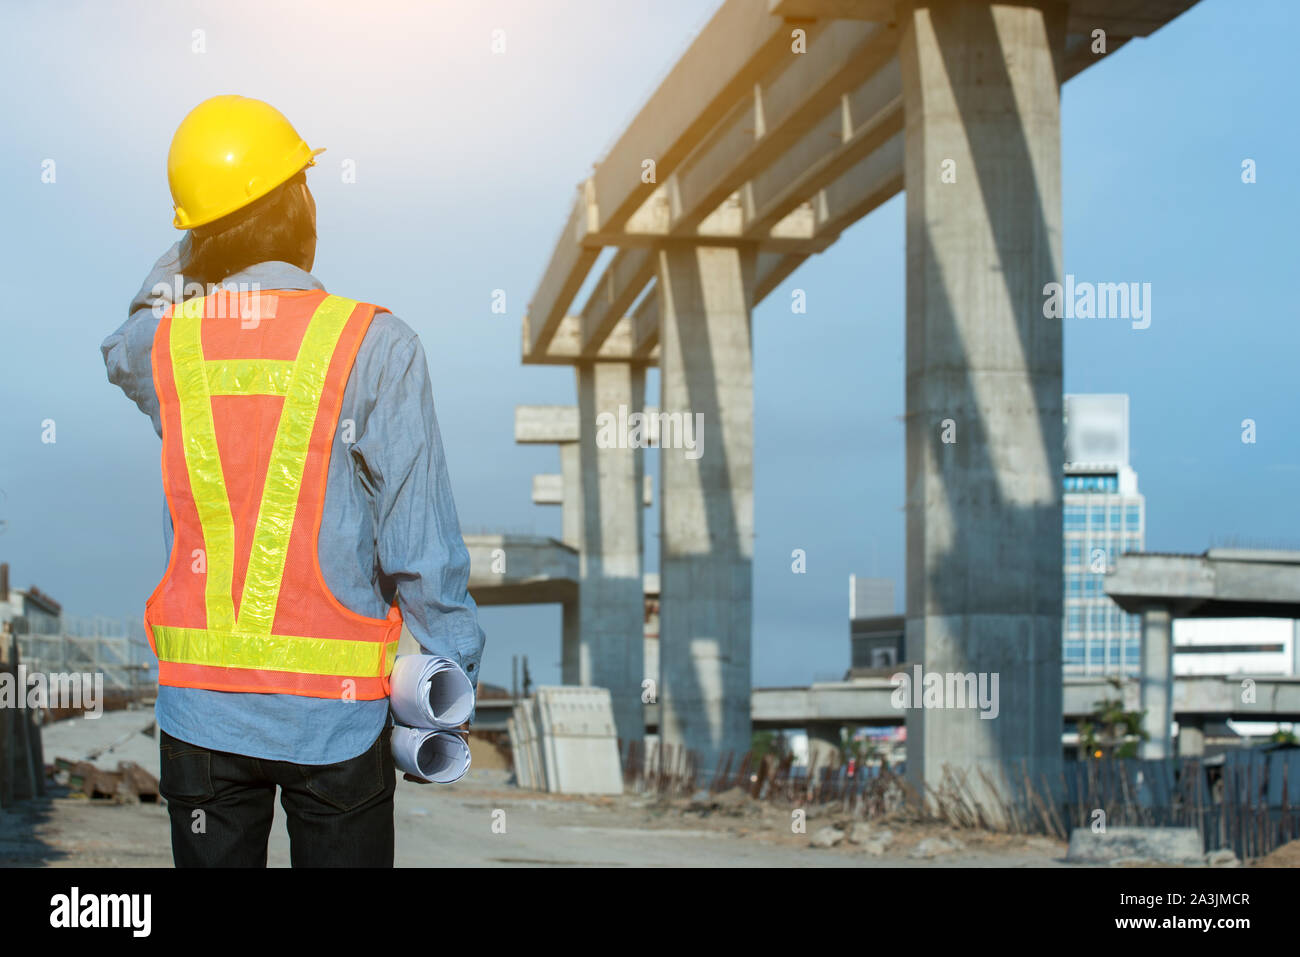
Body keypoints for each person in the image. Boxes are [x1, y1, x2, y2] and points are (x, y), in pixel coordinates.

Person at [101, 95, 485, 867]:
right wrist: (448, 683)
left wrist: (201, 236)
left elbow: (131, 323)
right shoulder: (379, 342)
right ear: (302, 204)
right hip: (338, 726)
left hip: (202, 717)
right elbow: (422, 547)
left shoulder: (165, 345)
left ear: (201, 227)